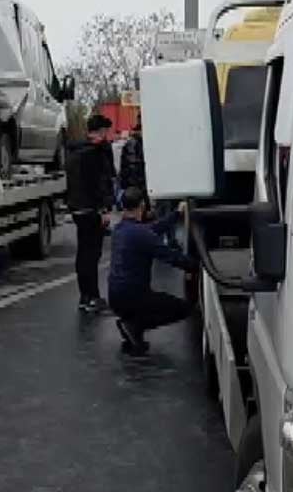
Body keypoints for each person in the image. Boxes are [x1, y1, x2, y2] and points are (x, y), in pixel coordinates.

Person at [108, 187, 198, 356]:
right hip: (134, 296)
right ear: (142, 205)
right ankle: (135, 324)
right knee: (183, 309)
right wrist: (195, 266)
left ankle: (132, 324)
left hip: (114, 297)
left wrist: (176, 214)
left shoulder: (120, 229)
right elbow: (170, 256)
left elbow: (154, 228)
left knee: (151, 301)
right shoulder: (142, 234)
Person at [65, 114, 116, 312]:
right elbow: (99, 184)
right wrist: (104, 209)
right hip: (92, 209)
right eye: (106, 131)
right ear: (101, 131)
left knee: (83, 254)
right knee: (92, 255)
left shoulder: (74, 152)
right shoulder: (94, 153)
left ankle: (84, 296)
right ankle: (93, 297)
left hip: (77, 208)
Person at [118, 120, 146, 194]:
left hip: (134, 182)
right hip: (137, 182)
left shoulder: (130, 144)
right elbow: (132, 164)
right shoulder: (134, 144)